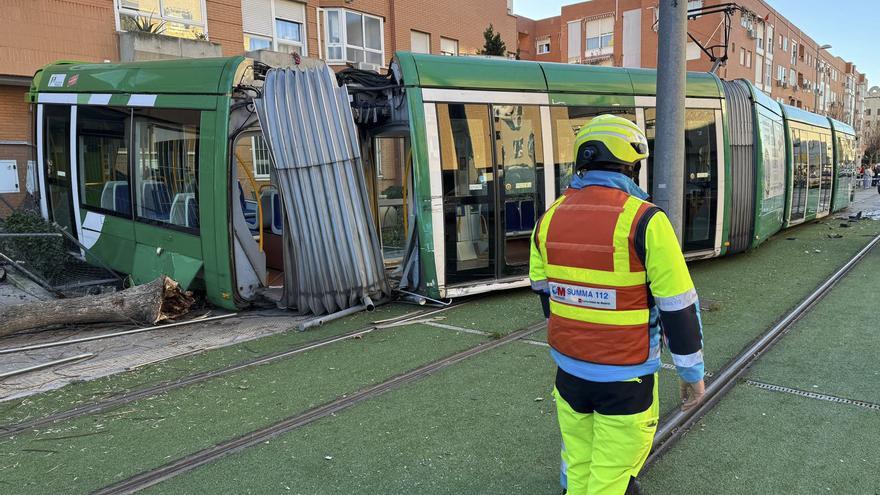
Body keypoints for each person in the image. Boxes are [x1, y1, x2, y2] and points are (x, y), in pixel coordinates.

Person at [529, 115, 706, 495]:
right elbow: (678, 308)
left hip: (570, 375)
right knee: (611, 479)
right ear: (632, 166)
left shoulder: (548, 219)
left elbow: (547, 297)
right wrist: (693, 377)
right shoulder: (646, 220)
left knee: (577, 466)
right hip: (627, 378)